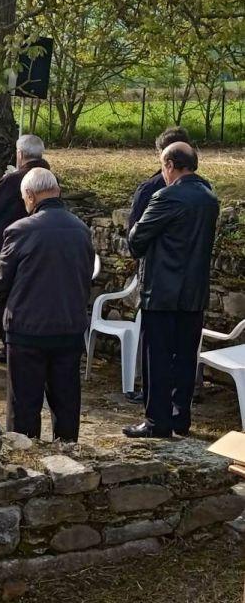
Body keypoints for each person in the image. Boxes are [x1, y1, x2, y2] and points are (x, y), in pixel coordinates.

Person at [0, 168, 94, 442]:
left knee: (24, 404)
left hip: (27, 329)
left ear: (30, 196)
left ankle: (25, 457)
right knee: (66, 401)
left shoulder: (19, 230)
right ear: (57, 191)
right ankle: (68, 450)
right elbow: (85, 278)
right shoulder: (81, 229)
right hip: (69, 326)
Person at [123, 142, 219, 439]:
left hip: (162, 292)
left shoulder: (166, 197)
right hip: (193, 292)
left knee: (158, 359)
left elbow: (136, 240)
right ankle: (180, 417)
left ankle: (156, 422)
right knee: (186, 358)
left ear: (170, 165)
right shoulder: (209, 197)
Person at [124, 126, 199, 404]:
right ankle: (182, 405)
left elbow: (136, 238)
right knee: (185, 349)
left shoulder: (155, 191)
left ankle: (154, 403)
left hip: (160, 282)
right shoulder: (207, 193)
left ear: (166, 159)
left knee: (156, 346)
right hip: (194, 284)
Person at [0, 134, 50, 362]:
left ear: (19, 155)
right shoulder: (49, 178)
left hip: (10, 247)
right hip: (44, 249)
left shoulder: (14, 180)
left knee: (6, 296)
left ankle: (9, 346)